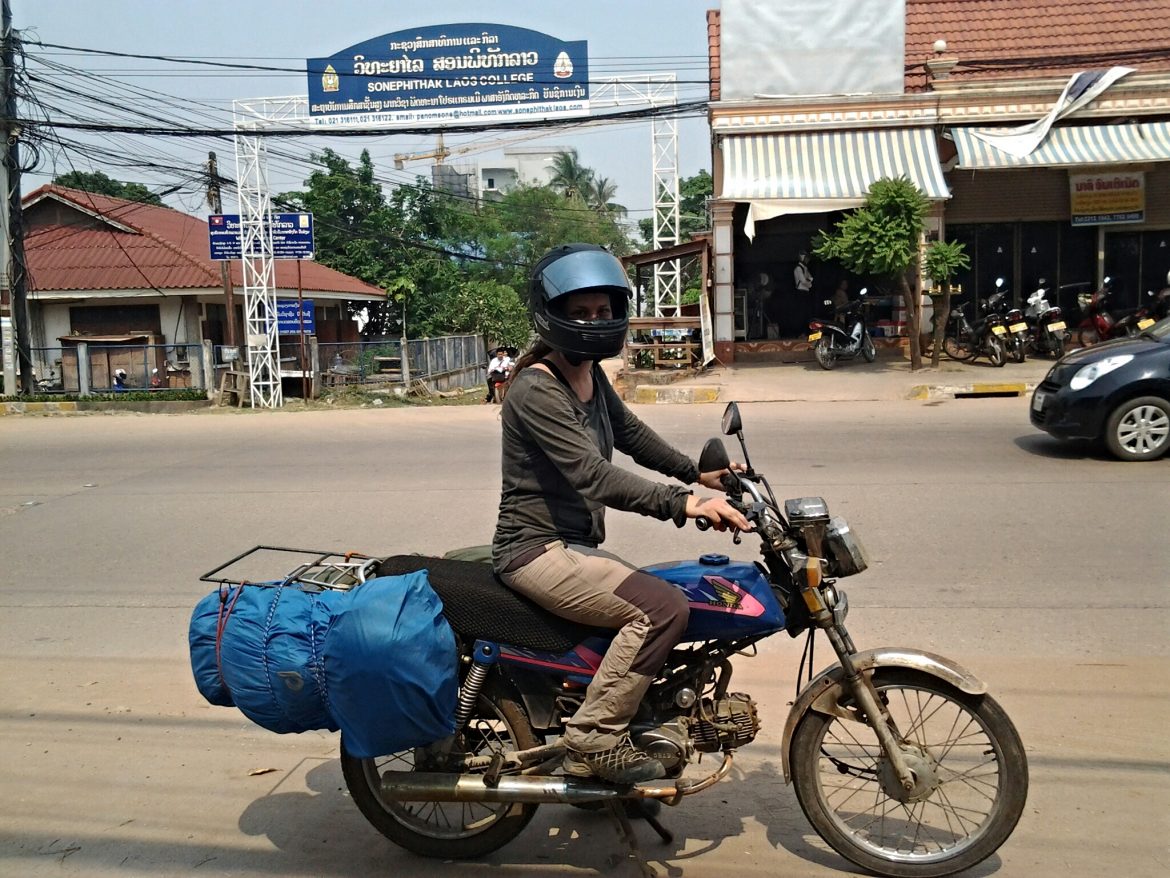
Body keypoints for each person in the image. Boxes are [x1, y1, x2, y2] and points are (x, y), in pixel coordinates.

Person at [492, 243, 750, 785]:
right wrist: (686, 504)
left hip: (571, 545)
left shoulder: (588, 373)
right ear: (552, 314)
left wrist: (695, 474)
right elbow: (593, 474)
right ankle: (594, 738)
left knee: (674, 592)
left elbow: (629, 434)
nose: (595, 323)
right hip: (534, 549)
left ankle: (639, 719)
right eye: (581, 313)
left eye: (604, 312)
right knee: (661, 609)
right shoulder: (537, 386)